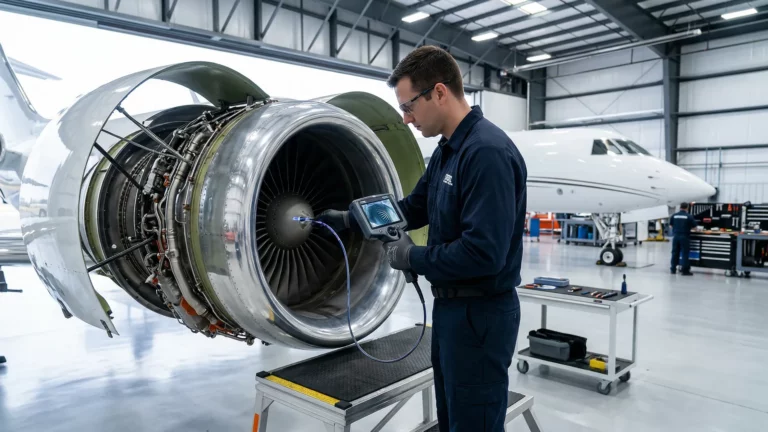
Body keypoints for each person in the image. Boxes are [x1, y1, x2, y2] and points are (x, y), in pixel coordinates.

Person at [318, 45, 527, 432]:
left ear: (439, 92)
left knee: (474, 423)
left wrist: (412, 257)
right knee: (453, 419)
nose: (405, 118)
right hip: (451, 312)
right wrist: (349, 220)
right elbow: (413, 208)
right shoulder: (448, 152)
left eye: (409, 106)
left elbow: (483, 253)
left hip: (480, 315)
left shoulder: (486, 153)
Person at [670, 202, 697, 275]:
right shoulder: (689, 216)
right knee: (685, 253)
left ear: (680, 207)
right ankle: (685, 271)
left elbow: (671, 226)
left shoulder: (674, 215)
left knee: (674, 253)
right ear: (687, 208)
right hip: (684, 237)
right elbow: (695, 227)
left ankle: (673, 269)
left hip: (675, 236)